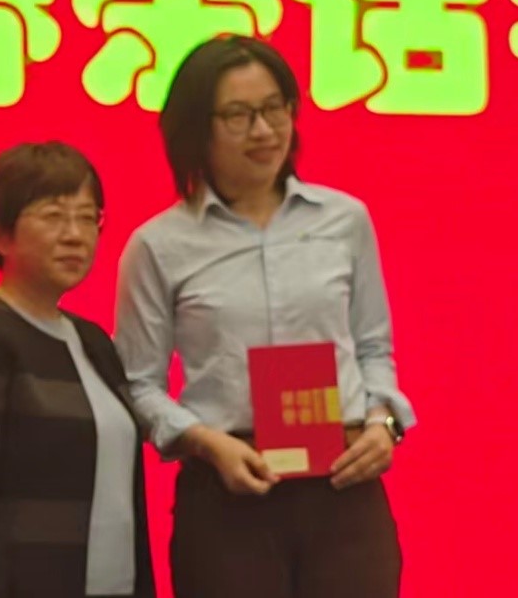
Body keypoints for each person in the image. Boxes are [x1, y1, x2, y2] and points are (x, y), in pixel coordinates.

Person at [113, 35, 416, 598]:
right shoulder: (159, 245)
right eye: (238, 115)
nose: (264, 130)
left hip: (343, 485)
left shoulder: (345, 220)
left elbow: (374, 348)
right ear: (196, 129)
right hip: (228, 494)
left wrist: (385, 424)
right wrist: (205, 442)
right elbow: (137, 384)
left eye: (275, 108)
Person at [0, 142, 156, 598]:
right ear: (0, 234)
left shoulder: (93, 341)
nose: (75, 235)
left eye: (87, 218)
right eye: (53, 216)